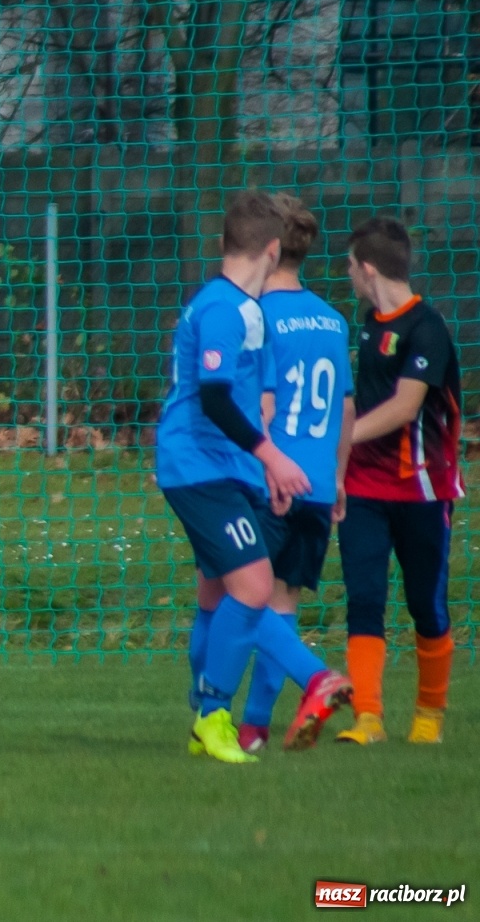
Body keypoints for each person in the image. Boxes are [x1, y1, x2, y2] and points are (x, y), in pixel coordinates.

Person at [156, 190, 352, 764]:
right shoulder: (225, 309)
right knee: (254, 586)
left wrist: (260, 469)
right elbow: (215, 399)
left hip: (226, 468)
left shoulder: (250, 313)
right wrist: (272, 458)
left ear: (225, 243)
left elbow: (252, 402)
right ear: (273, 248)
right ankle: (214, 716)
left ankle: (207, 714)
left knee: (218, 596)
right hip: (196, 467)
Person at [335, 218, 462, 746]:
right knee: (364, 599)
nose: (347, 276)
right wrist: (341, 466)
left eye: (348, 267)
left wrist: (338, 444)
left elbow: (405, 407)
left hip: (423, 491)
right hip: (364, 489)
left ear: (367, 269)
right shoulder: (367, 324)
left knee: (425, 605)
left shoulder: (427, 328)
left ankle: (429, 717)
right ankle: (367, 718)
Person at [238, 195, 356, 752]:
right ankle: (256, 727)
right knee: (281, 605)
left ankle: (316, 677)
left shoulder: (258, 315)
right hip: (319, 481)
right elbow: (345, 409)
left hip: (273, 480)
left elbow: (257, 405)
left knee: (238, 597)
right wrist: (340, 479)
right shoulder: (332, 318)